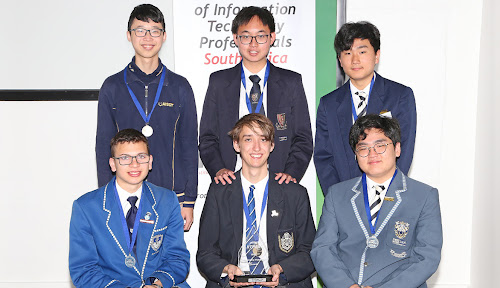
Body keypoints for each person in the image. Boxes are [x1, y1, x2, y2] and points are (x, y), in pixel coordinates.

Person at [95, 4, 197, 231]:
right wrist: (107, 198)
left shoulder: (180, 86)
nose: (148, 37)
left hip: (171, 197)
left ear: (164, 36)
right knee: (126, 262)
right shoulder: (112, 87)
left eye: (155, 30)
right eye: (140, 30)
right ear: (129, 35)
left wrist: (188, 200)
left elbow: (189, 146)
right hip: (125, 196)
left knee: (167, 263)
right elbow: (104, 147)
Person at [311, 114, 442, 288]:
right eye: (363, 148)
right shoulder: (337, 194)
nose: (372, 154)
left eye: (380, 146)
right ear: (356, 155)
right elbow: (322, 249)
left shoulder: (424, 196)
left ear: (397, 149)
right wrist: (347, 285)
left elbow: (427, 257)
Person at [197, 114, 316, 288]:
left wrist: (282, 270)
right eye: (248, 139)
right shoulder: (219, 192)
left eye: (263, 139)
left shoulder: (294, 193)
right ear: (236, 144)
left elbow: (310, 251)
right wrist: (226, 269)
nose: (256, 147)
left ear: (272, 145)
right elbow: (205, 253)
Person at [199, 6, 313, 186]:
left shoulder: (291, 82)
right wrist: (219, 169)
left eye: (260, 36)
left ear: (272, 38)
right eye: (246, 36)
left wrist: (291, 174)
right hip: (231, 182)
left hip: (279, 181)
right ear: (236, 38)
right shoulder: (218, 82)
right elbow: (207, 137)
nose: (253, 44)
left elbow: (303, 138)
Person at [70, 129, 190, 288]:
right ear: (113, 164)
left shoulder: (167, 200)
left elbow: (178, 258)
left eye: (141, 157)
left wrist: (157, 284)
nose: (135, 164)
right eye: (125, 158)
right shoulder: (86, 207)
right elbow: (84, 270)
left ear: (150, 161)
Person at [314, 21, 416, 194]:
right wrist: (338, 200)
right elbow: (324, 157)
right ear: (340, 59)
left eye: (362, 51)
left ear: (377, 55)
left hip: (387, 196)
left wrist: (388, 194)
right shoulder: (328, 104)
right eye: (347, 53)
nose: (355, 60)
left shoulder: (400, 96)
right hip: (345, 198)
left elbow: (404, 149)